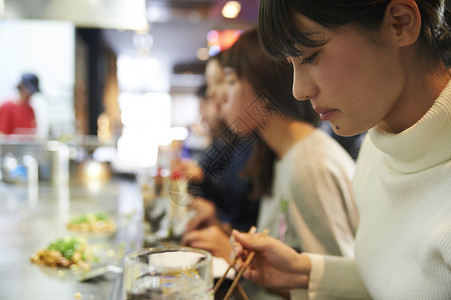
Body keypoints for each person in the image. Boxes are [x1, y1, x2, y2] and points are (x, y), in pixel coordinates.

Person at [232, 0, 451, 299]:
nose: (299, 90)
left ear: (400, 22)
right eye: (291, 64)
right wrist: (304, 273)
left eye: (310, 56)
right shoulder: (378, 146)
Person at [182, 28, 359, 299]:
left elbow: (340, 290)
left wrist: (234, 253)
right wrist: (228, 234)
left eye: (229, 81)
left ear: (263, 84)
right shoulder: (282, 155)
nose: (218, 97)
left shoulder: (309, 163)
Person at [173, 54, 260, 233]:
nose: (213, 94)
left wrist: (221, 226)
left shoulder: (251, 142)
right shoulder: (229, 140)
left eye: (224, 81)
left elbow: (247, 214)